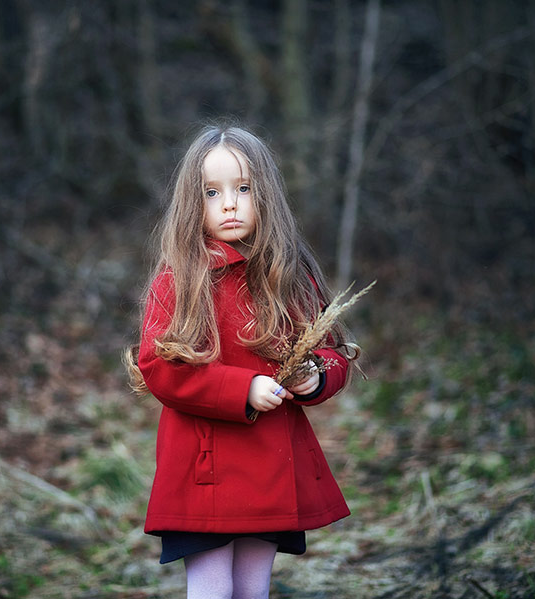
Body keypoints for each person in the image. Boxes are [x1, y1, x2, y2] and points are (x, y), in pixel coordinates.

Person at [125, 124, 360, 598]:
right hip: (202, 467)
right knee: (212, 590)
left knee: (252, 591)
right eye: (212, 192)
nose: (229, 203)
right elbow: (159, 366)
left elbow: (334, 350)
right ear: (194, 203)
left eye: (243, 188)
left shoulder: (288, 274)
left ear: (265, 195)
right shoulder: (181, 280)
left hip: (270, 465)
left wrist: (313, 378)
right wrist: (242, 389)